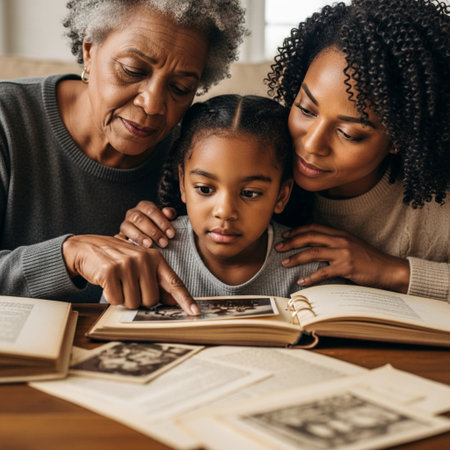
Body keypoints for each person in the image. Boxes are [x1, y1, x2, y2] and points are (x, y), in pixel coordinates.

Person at [122, 0, 450, 301]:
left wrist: (390, 270)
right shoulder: (261, 153)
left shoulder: (436, 206)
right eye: (306, 110)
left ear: (399, 138)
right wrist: (142, 222)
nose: (309, 145)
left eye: (349, 133)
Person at [0, 0, 246, 312]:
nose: (153, 105)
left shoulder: (197, 154)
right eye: (133, 70)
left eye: (181, 88)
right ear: (89, 52)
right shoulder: (6, 118)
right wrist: (70, 254)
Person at [152, 94, 330, 298]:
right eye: (204, 189)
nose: (225, 211)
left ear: (281, 195)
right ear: (183, 182)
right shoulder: (150, 254)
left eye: (249, 193)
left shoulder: (313, 271)